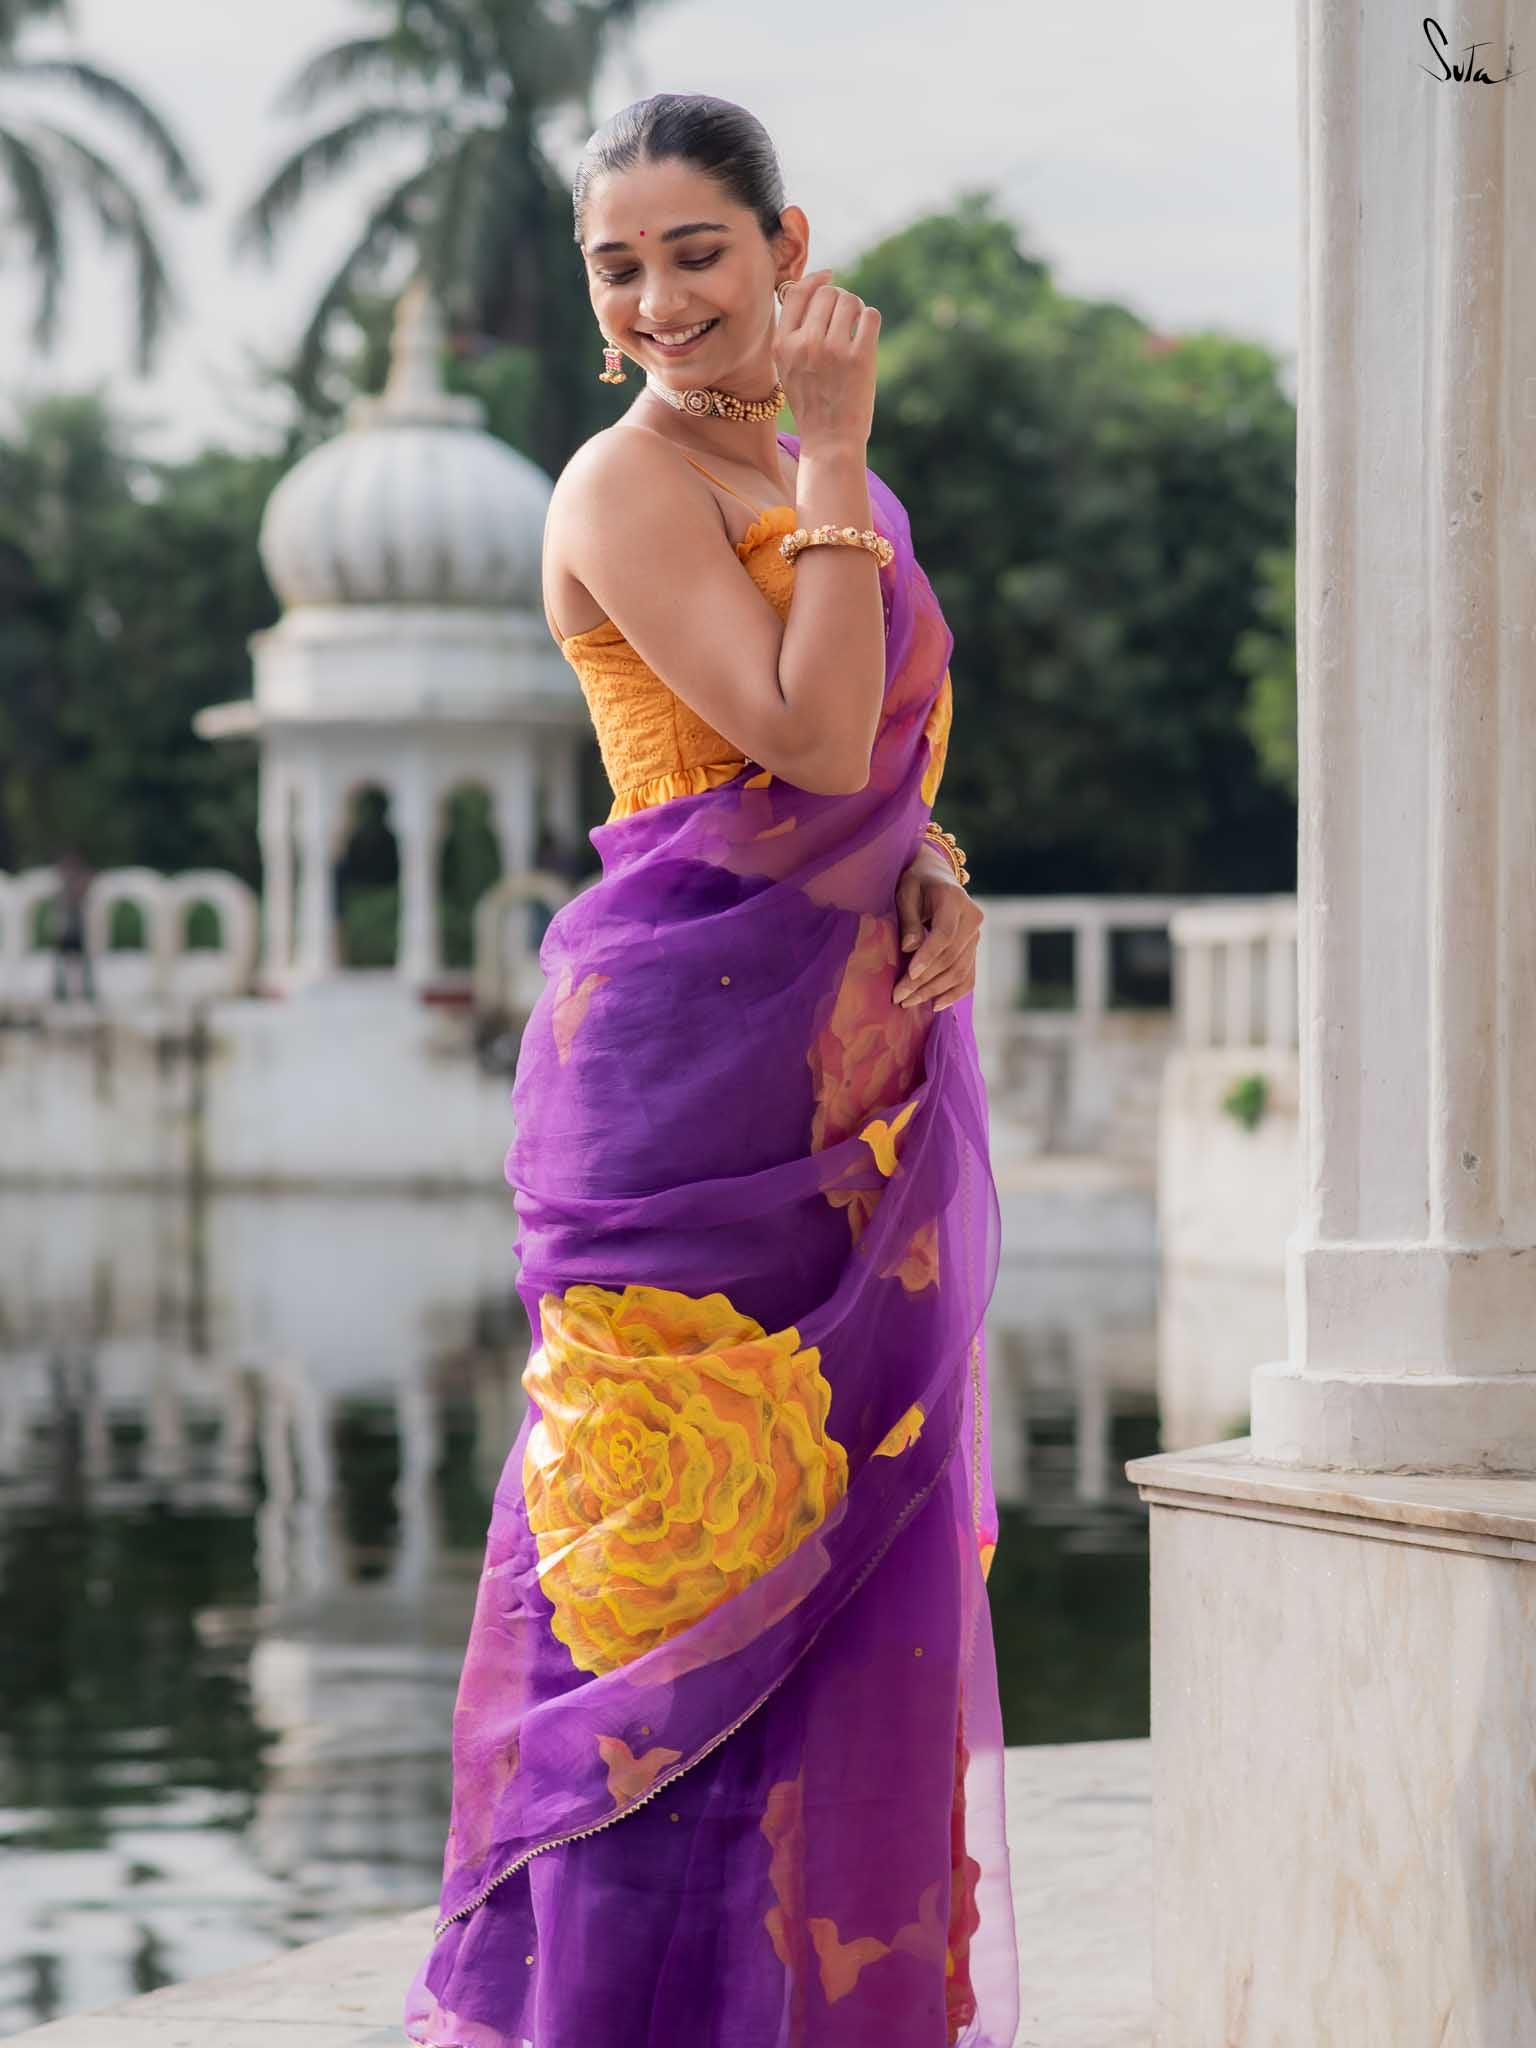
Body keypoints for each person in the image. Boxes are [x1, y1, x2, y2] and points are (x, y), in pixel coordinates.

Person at [405, 92, 1016, 2048]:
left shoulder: (812, 462)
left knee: (848, 1548)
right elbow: (801, 736)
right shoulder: (620, 485)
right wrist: (836, 453)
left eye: (697, 251)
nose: (660, 297)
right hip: (673, 1094)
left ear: (783, 247)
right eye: (619, 263)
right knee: (662, 1579)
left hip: (843, 1083)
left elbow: (870, 776)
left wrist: (933, 871)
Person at [51, 849, 95, 1004]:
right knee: (65, 962)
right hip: (67, 929)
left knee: (77, 962)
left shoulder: (76, 882)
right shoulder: (63, 885)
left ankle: (79, 994)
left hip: (76, 929)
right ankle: (63, 992)